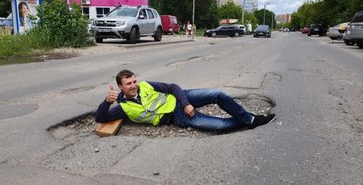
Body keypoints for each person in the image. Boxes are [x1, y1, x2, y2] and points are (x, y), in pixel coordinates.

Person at [95, 70, 276, 132]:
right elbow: (101, 119)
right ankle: (245, 120)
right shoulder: (123, 107)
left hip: (182, 99)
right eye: (129, 83)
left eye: (134, 81)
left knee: (217, 93)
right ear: (120, 87)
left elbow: (173, 87)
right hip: (177, 118)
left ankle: (250, 120)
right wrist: (106, 102)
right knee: (220, 127)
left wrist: (186, 103)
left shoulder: (146, 85)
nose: (134, 85)